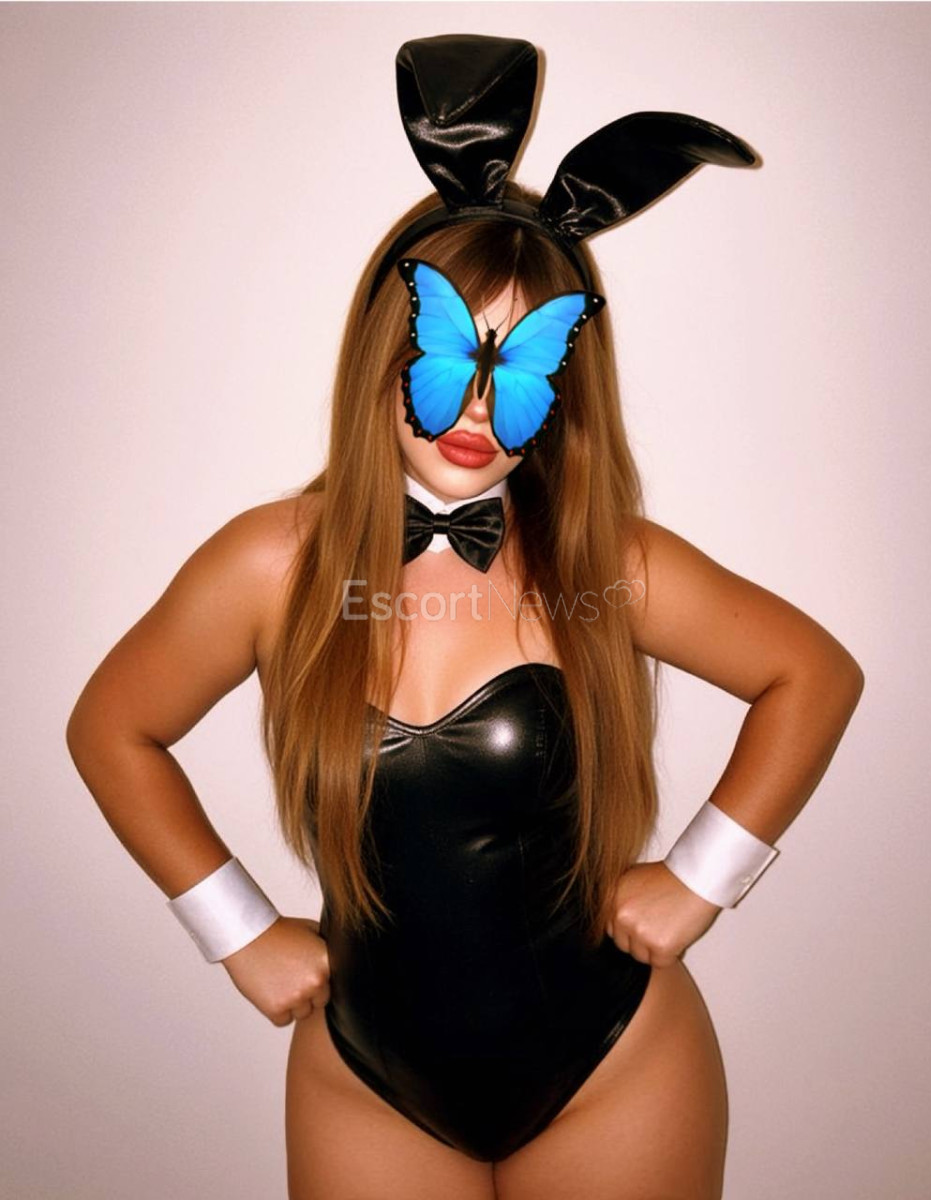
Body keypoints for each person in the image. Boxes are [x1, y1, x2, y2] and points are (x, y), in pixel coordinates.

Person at [65, 35, 864, 1200]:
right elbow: (111, 729)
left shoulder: (600, 563)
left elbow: (811, 674)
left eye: (522, 371)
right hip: (367, 1080)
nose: (478, 410)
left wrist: (700, 877)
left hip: (613, 1067)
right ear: (383, 351)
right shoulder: (271, 563)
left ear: (565, 389)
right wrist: (233, 927)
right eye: (451, 356)